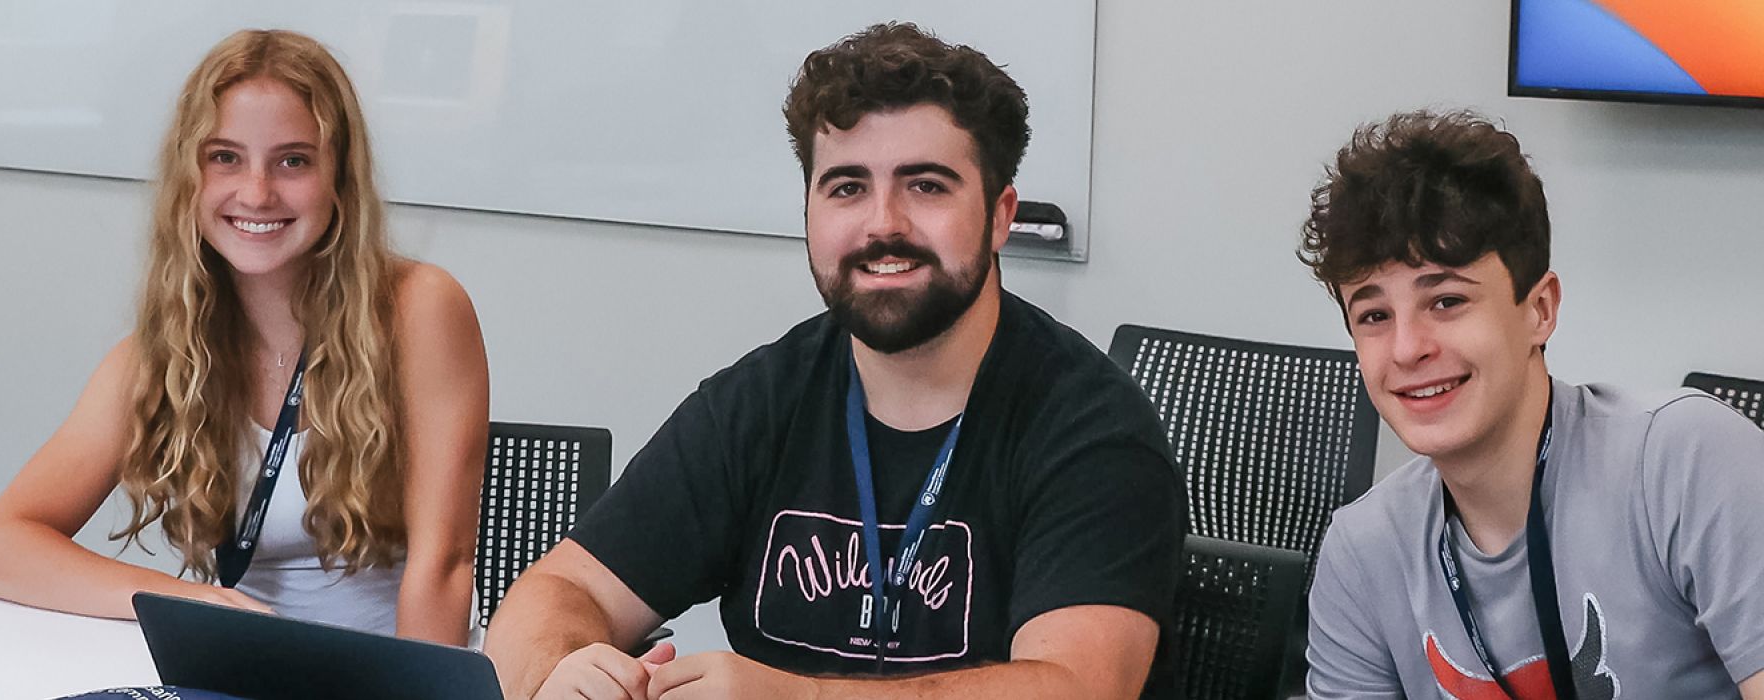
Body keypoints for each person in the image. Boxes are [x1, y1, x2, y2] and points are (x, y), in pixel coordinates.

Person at [484, 23, 1186, 700]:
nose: (883, 223)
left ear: (1001, 214)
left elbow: (1075, 687)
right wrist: (558, 672)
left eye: (927, 185)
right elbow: (557, 592)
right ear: (810, 211)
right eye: (847, 187)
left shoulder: (1094, 430)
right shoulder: (758, 402)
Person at [0, 29, 489, 645]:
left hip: (392, 670)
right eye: (225, 158)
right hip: (241, 665)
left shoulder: (418, 308)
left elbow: (445, 567)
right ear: (190, 177)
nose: (256, 192)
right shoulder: (164, 350)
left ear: (340, 179)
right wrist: (189, 601)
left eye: (293, 160)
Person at [1299, 109, 1764, 699]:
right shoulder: (1363, 552)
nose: (1408, 348)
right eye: (1373, 316)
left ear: (1539, 310)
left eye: (1446, 301)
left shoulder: (1684, 461)